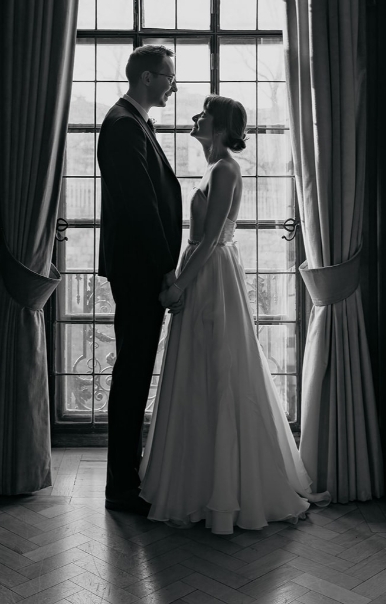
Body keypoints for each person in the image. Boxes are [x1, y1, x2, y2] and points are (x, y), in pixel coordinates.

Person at [139, 95, 329, 533]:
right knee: (197, 376)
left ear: (221, 126)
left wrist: (180, 285)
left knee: (221, 373)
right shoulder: (212, 167)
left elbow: (210, 239)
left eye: (203, 115)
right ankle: (197, 482)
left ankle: (226, 489)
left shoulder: (226, 169)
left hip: (212, 277)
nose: (195, 117)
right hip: (201, 271)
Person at [97, 45, 182, 515]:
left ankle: (126, 478)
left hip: (138, 268)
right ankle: (120, 488)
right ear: (147, 77)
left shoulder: (134, 122)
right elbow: (141, 205)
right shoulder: (123, 125)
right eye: (169, 77)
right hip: (138, 271)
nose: (173, 85)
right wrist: (164, 267)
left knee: (133, 373)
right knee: (131, 375)